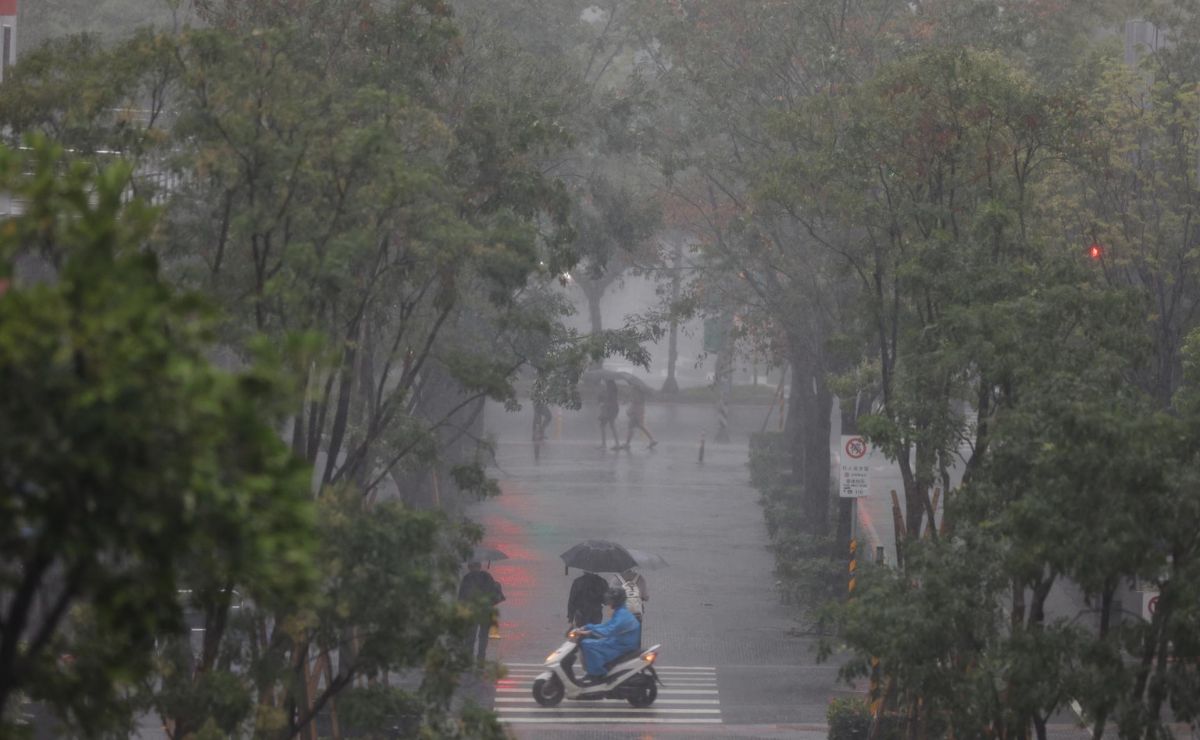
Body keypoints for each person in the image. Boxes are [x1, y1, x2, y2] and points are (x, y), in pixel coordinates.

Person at [576, 588, 642, 679]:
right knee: (592, 642)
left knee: (587, 644)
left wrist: (589, 631)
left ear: (616, 601)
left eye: (610, 600)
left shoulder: (622, 615)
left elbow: (608, 631)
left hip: (622, 646)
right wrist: (588, 627)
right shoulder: (621, 612)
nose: (608, 602)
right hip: (619, 641)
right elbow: (607, 625)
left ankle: (597, 674)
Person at [458, 561, 505, 662]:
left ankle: (469, 656)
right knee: (483, 635)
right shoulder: (487, 576)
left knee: (471, 635)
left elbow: (461, 596)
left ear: (470, 568)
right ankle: (481, 656)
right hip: (486, 610)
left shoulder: (467, 578)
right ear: (479, 567)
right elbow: (493, 591)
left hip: (473, 611)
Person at [620, 385, 657, 450]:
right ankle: (652, 440)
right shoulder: (639, 391)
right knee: (637, 426)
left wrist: (629, 404)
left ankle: (627, 444)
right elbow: (635, 400)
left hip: (636, 412)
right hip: (638, 411)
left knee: (634, 426)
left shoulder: (637, 391)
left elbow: (636, 401)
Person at [599, 380, 620, 449]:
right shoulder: (610, 390)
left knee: (607, 425)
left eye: (606, 382)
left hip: (610, 410)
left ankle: (605, 444)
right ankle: (615, 444)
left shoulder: (612, 391)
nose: (605, 383)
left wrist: (605, 404)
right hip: (609, 410)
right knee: (608, 425)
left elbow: (612, 402)